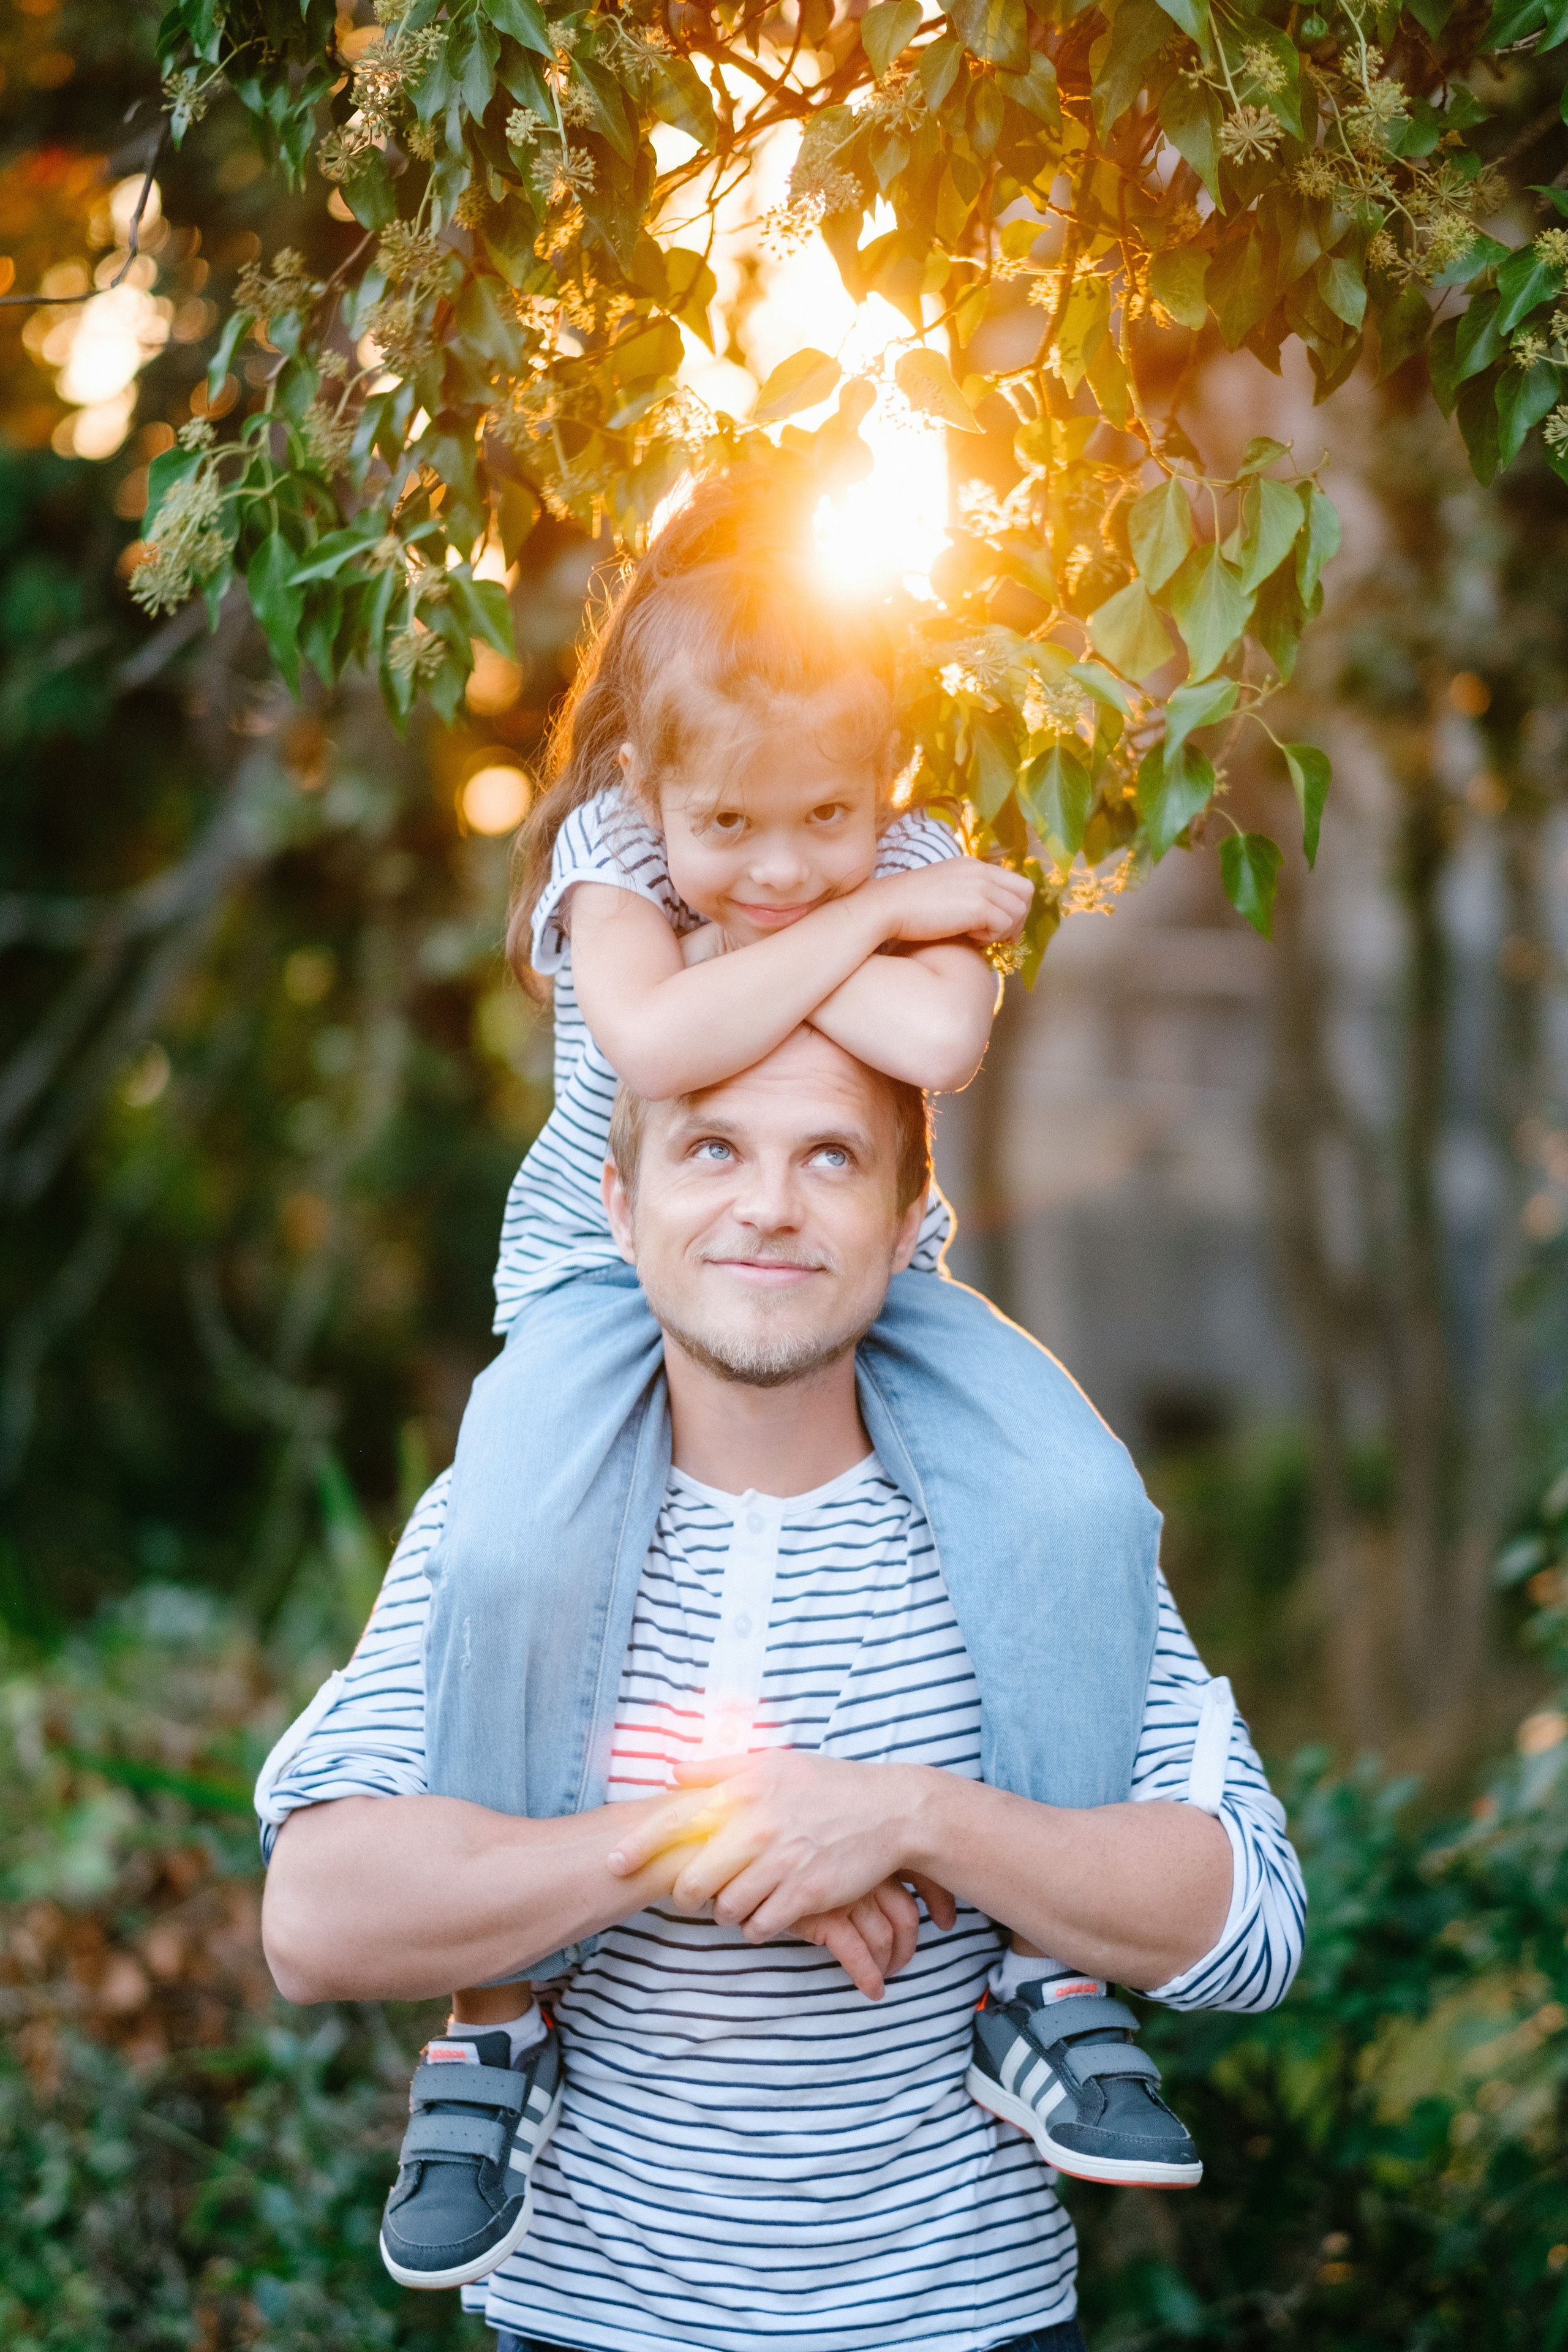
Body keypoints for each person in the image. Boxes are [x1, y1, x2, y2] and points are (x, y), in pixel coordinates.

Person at [352, 471, 1200, 2287]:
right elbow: (657, 1040)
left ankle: (1044, 1987)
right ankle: (492, 2029)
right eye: (728, 826)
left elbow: (941, 1040)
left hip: (881, 1274)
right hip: (610, 1285)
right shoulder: (612, 862)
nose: (779, 863)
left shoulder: (876, 860)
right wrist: (845, 942)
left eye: (831, 817)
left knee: (1080, 1498)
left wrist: (810, 949)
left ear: (881, 781)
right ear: (652, 791)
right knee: (506, 1545)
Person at [257, 1030, 1306, 2352]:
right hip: (587, 2328)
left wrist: (913, 1817)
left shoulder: (1026, 1528)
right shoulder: (509, 1528)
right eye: (710, 1150)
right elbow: (312, 1919)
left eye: (829, 1157)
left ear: (908, 1218)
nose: (768, 1204)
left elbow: (1252, 1925)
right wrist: (696, 1837)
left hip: (963, 2327)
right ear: (622, 1210)